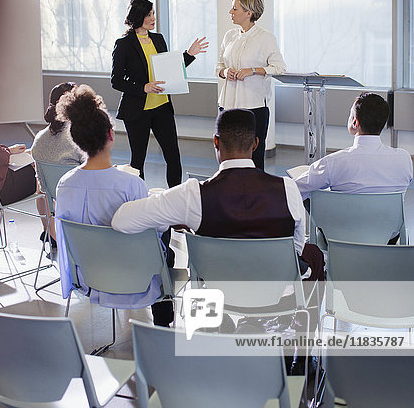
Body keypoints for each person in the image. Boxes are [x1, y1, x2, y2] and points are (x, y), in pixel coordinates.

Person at [111, 109, 324, 282]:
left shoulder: (193, 195)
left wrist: (181, 217)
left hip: (218, 291)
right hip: (277, 292)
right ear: (256, 144)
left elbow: (122, 221)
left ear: (215, 141)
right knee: (313, 254)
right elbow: (295, 250)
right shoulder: (288, 189)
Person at [54, 84, 172, 326]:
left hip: (90, 275)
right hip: (134, 278)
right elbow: (151, 233)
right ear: (110, 135)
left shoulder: (65, 184)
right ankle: (163, 322)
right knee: (165, 234)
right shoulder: (130, 183)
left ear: (76, 140)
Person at [111, 0, 208, 188]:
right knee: (138, 160)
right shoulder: (123, 44)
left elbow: (170, 70)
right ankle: (139, 199)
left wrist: (189, 55)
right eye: (149, 14)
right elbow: (116, 80)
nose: (153, 18)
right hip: (137, 111)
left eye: (153, 13)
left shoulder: (158, 39)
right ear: (138, 16)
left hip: (162, 107)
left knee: (173, 155)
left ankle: (175, 195)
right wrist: (143, 87)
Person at [295, 92, 413, 200]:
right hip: (389, 222)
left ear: (355, 123)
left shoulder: (333, 162)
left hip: (342, 223)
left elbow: (295, 189)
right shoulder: (404, 158)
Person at [215, 0, 286, 170]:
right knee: (226, 154)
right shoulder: (229, 36)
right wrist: (225, 71)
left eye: (234, 9)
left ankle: (256, 192)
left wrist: (253, 71)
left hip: (253, 107)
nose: (230, 12)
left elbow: (279, 68)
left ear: (249, 13)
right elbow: (219, 65)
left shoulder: (266, 38)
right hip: (227, 104)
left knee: (254, 157)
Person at [31, 82, 86, 246]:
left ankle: (49, 232)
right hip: (79, 199)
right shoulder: (78, 140)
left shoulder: (39, 139)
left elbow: (41, 190)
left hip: (55, 196)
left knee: (40, 189)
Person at [0, 130, 36, 208]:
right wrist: (7, 151)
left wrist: (8, 150)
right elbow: (1, 158)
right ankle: (52, 216)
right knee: (38, 170)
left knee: (30, 156)